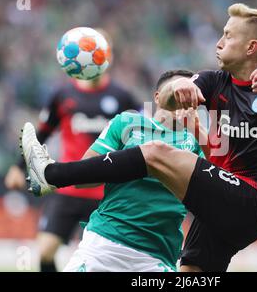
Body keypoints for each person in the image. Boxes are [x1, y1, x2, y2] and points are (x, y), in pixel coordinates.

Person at [21, 3, 257, 272]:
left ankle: (52, 173)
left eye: (228, 36)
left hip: (252, 198)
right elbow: (166, 99)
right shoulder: (214, 81)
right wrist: (178, 89)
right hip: (218, 204)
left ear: (250, 47)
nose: (218, 42)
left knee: (155, 153)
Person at [22, 69, 207, 271]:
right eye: (179, 91)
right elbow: (83, 178)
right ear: (158, 97)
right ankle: (50, 174)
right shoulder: (127, 123)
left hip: (156, 257)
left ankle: (50, 174)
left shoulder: (199, 140)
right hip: (103, 245)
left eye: (192, 94)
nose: (185, 98)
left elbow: (210, 194)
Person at [4, 29, 139, 272]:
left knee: (105, 261)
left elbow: (140, 136)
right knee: (45, 250)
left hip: (106, 192)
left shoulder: (122, 97)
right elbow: (41, 132)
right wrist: (17, 166)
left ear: (109, 56)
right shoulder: (62, 94)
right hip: (68, 188)